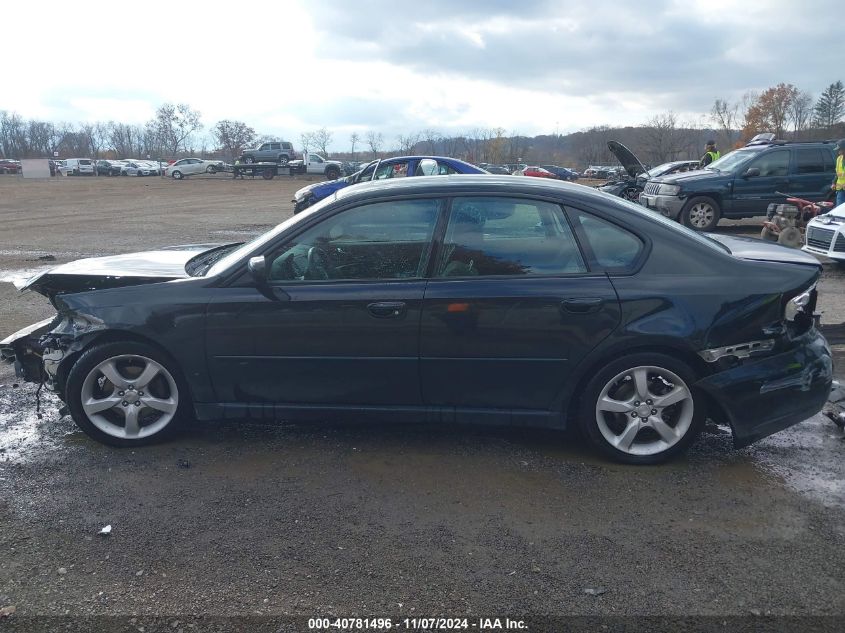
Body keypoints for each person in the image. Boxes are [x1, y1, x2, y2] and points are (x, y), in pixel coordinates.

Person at [832, 140, 845, 208]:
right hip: (841, 190)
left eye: (839, 149)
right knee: (839, 208)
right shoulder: (839, 159)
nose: (838, 151)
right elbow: (837, 173)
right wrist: (834, 183)